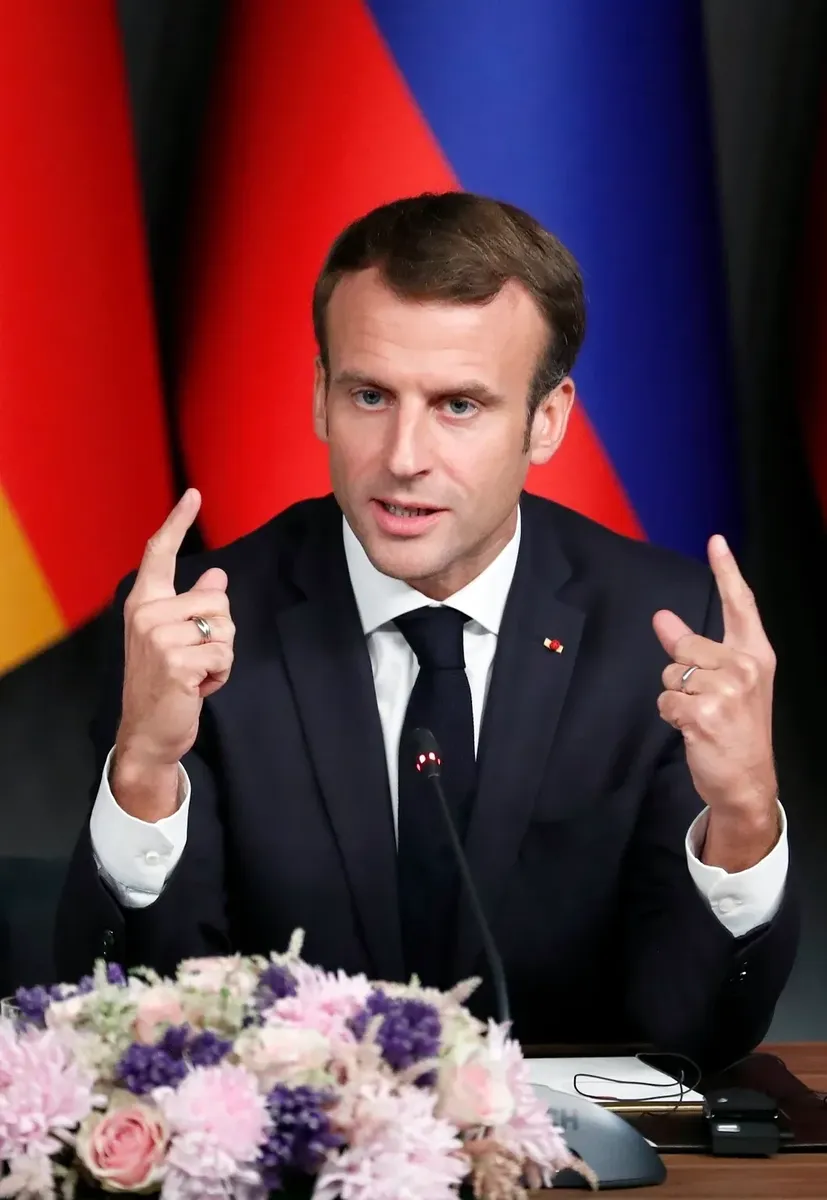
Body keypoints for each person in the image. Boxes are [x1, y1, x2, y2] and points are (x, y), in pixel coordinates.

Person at [56, 192, 797, 1067]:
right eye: (370, 395)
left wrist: (744, 817)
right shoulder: (191, 625)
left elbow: (699, 1033)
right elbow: (137, 1027)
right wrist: (143, 772)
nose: (403, 457)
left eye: (459, 405)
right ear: (320, 399)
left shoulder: (664, 631)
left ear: (546, 420)